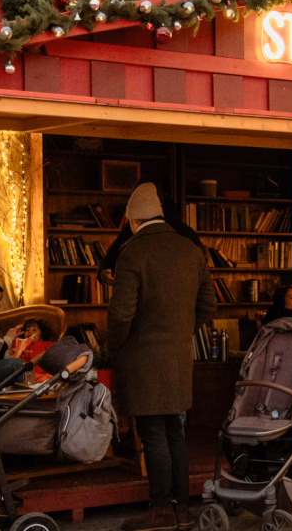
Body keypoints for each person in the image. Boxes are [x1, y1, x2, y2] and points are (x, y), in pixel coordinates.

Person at [107, 182, 215, 531]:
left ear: (132, 221)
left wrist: (117, 346)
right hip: (180, 359)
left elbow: (121, 314)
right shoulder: (191, 250)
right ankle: (182, 511)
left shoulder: (132, 253)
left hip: (142, 360)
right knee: (175, 433)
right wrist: (183, 331)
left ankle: (159, 511)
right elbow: (208, 306)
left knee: (152, 433)